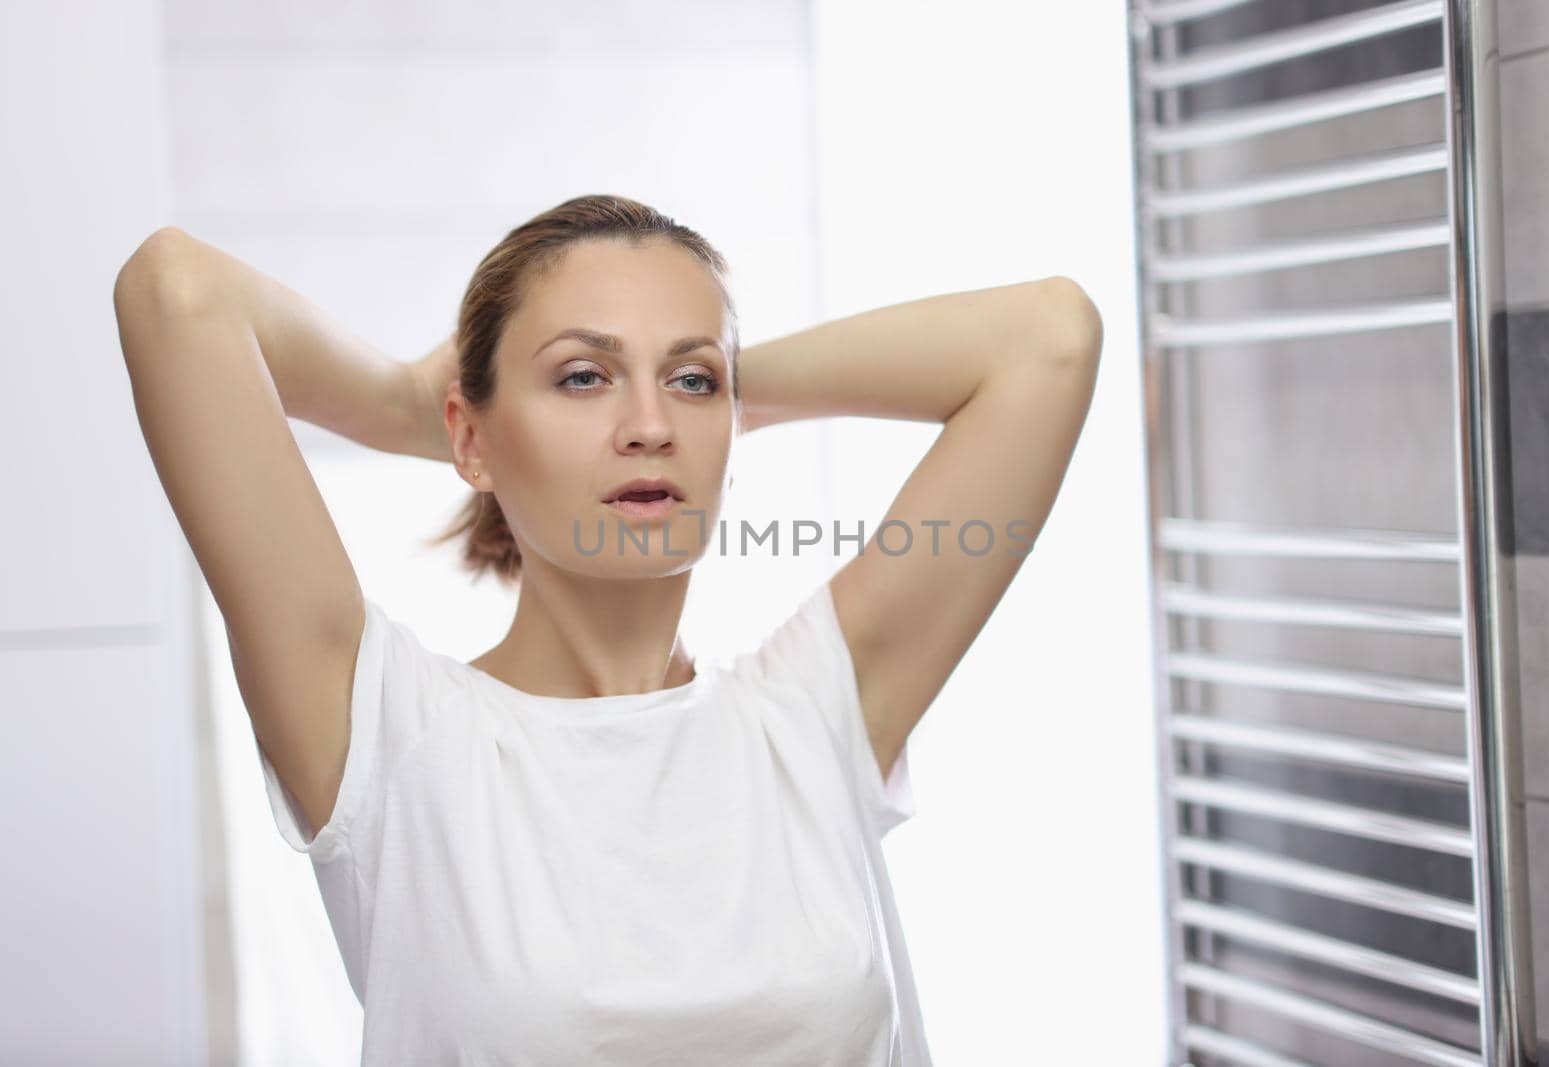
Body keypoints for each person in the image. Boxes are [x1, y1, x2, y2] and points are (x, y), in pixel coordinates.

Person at [112, 193, 1102, 1065]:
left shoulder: (810, 715)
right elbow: (177, 294)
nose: (648, 426)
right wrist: (404, 406)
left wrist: (710, 381)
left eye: (691, 383)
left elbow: (1048, 337)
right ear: (471, 435)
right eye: (582, 377)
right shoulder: (387, 731)